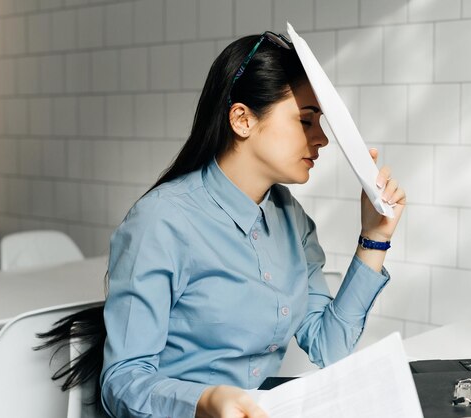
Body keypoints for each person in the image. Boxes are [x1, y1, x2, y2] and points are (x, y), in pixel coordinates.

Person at [39, 31, 405, 418]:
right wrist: (203, 401)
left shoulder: (292, 220)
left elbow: (330, 346)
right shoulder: (161, 222)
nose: (322, 139)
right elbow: (122, 383)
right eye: (306, 121)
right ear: (242, 119)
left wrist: (374, 238)